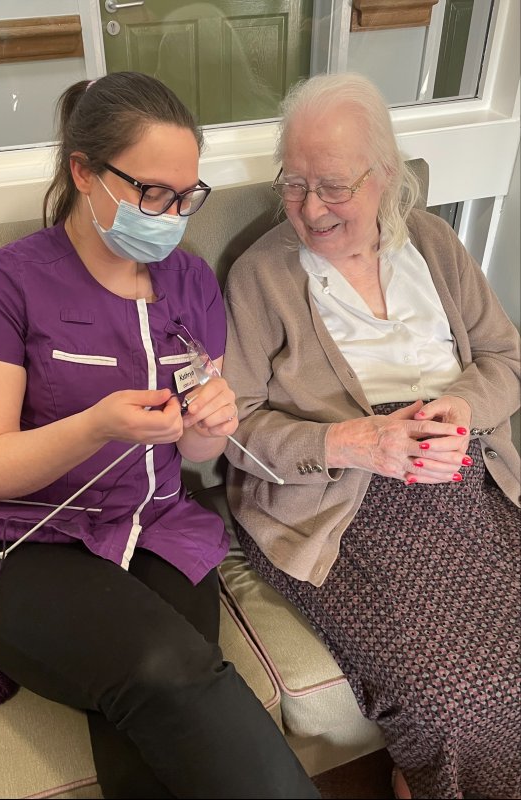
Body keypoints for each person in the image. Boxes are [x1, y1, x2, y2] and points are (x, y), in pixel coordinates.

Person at [0, 72, 320, 800]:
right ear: (84, 171)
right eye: (152, 193)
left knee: (166, 703)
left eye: (186, 196)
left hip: (156, 528)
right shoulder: (3, 286)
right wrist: (96, 426)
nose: (172, 216)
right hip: (23, 543)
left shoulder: (192, 284)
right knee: (164, 670)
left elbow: (197, 454)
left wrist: (212, 424)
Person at [222, 72, 521, 800]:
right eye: (294, 184)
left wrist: (460, 407)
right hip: (342, 507)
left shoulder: (435, 243)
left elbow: (504, 358)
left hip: (466, 479)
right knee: (449, 700)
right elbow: (236, 428)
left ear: (384, 175)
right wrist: (349, 443)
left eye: (333, 186)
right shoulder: (261, 277)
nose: (309, 208)